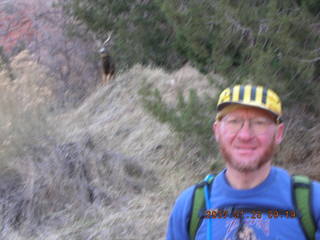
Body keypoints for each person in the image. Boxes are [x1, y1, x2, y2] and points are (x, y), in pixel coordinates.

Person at [166, 85, 320, 240]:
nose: (245, 135)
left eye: (259, 123)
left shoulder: (313, 203)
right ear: (217, 131)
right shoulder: (190, 207)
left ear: (278, 134)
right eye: (234, 121)